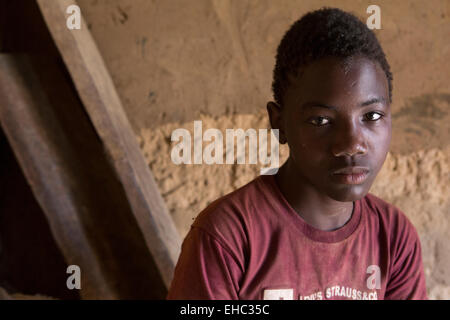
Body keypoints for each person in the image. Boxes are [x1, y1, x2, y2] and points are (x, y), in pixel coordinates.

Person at [167, 7, 428, 300]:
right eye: (321, 121)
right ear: (278, 122)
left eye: (372, 116)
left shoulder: (393, 237)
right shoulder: (230, 236)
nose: (352, 143)